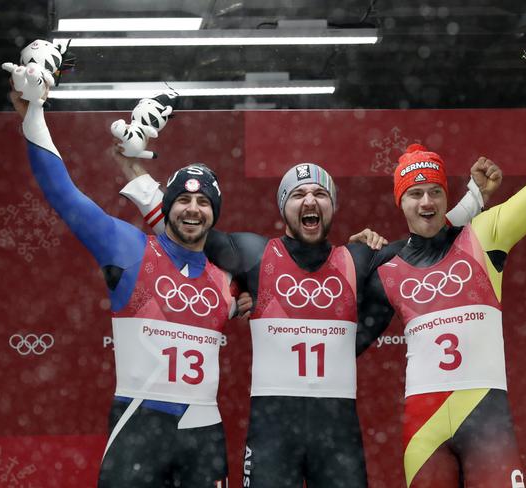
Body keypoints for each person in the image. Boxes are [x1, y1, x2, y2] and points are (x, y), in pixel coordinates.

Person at [117, 150, 500, 486]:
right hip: (272, 434)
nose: (309, 200)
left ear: (332, 206)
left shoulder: (360, 259)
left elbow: (425, 239)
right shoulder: (256, 254)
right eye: (298, 194)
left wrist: (473, 199)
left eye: (319, 193)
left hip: (338, 436)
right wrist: (132, 169)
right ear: (283, 206)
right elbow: (188, 228)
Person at [355, 57, 526, 487]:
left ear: (445, 195)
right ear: (399, 203)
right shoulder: (387, 268)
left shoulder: (484, 236)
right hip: (423, 429)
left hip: (487, 420)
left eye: (435, 192)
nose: (426, 202)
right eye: (415, 194)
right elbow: (344, 340)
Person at [10, 88, 247, 487]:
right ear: (167, 204)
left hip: (204, 430)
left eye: (204, 202)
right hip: (138, 426)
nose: (193, 209)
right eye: (183, 200)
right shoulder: (129, 250)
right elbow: (63, 193)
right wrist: (33, 112)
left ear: (214, 213)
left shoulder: (226, 279)